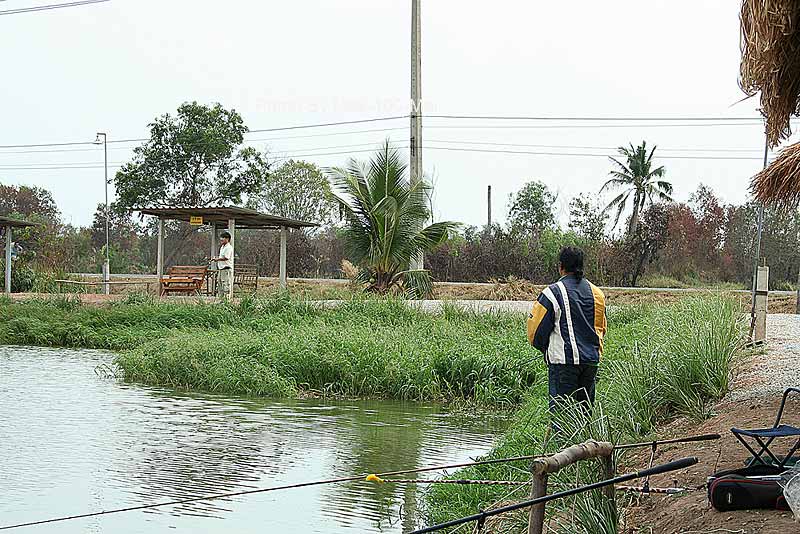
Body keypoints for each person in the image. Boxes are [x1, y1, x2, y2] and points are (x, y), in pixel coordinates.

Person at [527, 246, 606, 413]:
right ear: (581, 266)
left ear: (560, 266)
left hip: (563, 365)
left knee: (562, 418)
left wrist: (546, 349)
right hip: (591, 363)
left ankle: (562, 440)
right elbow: (602, 328)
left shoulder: (551, 293)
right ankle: (586, 439)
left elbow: (535, 333)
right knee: (584, 415)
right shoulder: (598, 294)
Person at [212, 231, 234, 298]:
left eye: (223, 238)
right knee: (220, 285)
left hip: (226, 269)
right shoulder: (222, 247)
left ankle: (227, 301)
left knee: (226, 285)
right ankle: (221, 301)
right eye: (221, 237)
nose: (221, 239)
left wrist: (217, 259)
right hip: (221, 269)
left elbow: (226, 257)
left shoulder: (229, 247)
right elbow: (222, 257)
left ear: (227, 239)